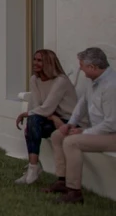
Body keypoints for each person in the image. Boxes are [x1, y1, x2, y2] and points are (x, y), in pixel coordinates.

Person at [43, 47, 116, 204]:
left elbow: (111, 123)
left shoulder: (111, 86)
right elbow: (82, 103)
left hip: (112, 135)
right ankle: (62, 181)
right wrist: (70, 124)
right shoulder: (94, 81)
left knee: (71, 142)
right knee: (58, 136)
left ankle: (74, 192)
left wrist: (83, 133)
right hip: (100, 131)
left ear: (92, 67)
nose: (80, 69)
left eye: (82, 65)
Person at [14, 49, 77, 184]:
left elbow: (47, 107)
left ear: (48, 63)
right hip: (52, 118)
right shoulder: (35, 79)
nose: (35, 63)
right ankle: (33, 167)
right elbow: (37, 106)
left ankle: (34, 168)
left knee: (32, 120)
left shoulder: (61, 80)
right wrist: (48, 117)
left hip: (69, 121)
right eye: (35, 59)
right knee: (33, 122)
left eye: (39, 60)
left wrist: (26, 114)